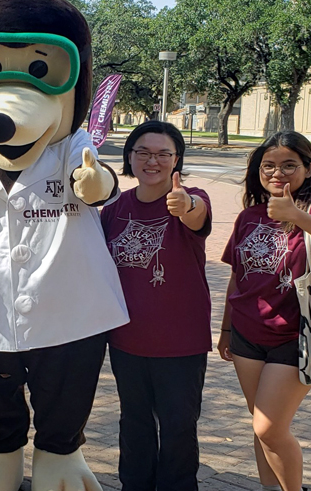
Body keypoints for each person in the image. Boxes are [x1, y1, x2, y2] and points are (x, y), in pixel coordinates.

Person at [218, 131, 311, 491]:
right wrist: (226, 329)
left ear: (308, 169)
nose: (278, 173)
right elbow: (237, 274)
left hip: (297, 335)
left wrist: (296, 215)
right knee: (261, 425)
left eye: (289, 165)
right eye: (269, 166)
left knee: (269, 427)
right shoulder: (249, 215)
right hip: (248, 334)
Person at [100, 121, 212, 491]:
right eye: (143, 152)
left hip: (181, 343)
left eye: (164, 154)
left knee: (179, 425)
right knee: (134, 422)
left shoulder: (191, 197)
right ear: (129, 157)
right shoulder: (114, 209)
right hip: (126, 340)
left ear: (177, 160)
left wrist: (187, 206)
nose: (153, 161)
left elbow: (198, 214)